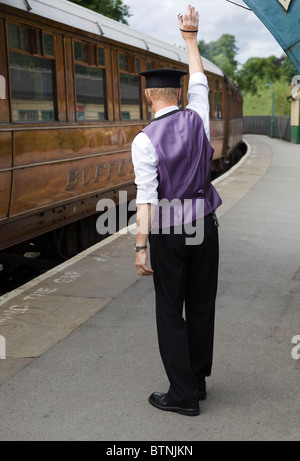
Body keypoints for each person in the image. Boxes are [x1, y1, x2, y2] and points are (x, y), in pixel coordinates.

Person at [131, 5, 222, 417]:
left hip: (169, 232)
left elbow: (146, 196)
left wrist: (140, 246)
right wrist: (190, 39)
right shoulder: (198, 118)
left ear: (149, 95)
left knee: (170, 309)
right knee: (202, 303)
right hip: (205, 224)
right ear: (180, 95)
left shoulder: (144, 140)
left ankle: (181, 395)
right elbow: (200, 78)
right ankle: (198, 382)